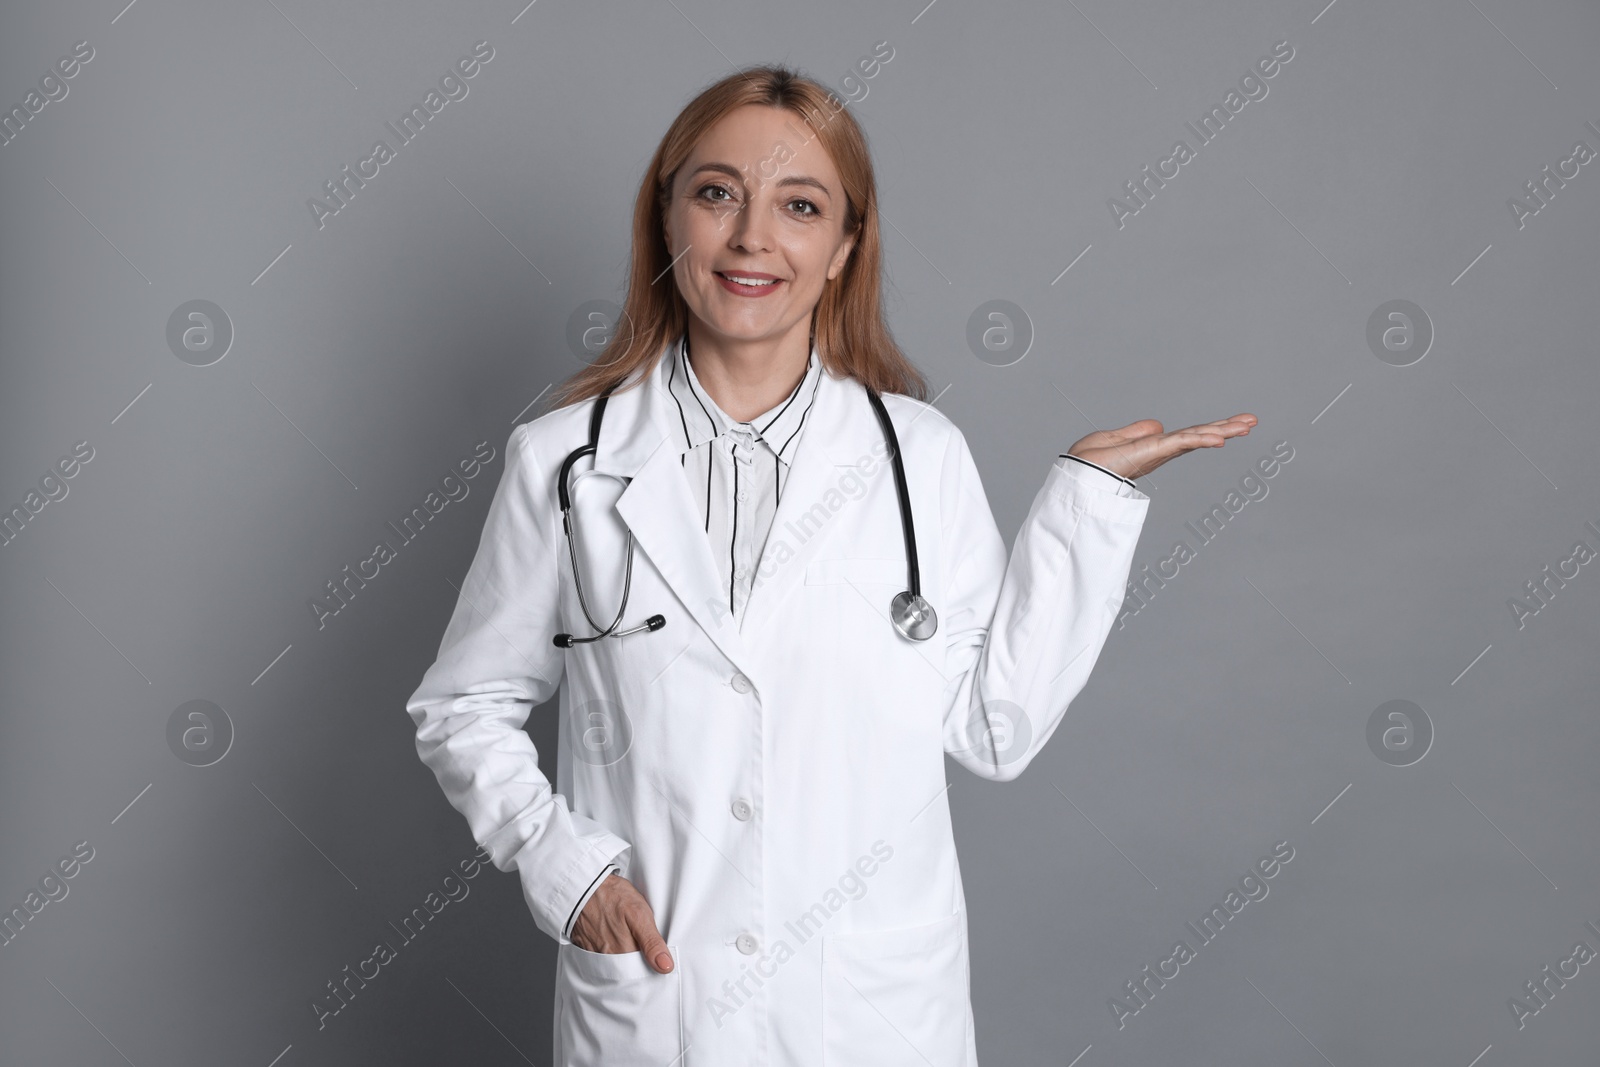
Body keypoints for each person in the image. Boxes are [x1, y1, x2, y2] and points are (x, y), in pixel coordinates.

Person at [405, 64, 1255, 1067]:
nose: (753, 237)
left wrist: (1084, 505)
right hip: (664, 1002)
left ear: (845, 245)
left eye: (799, 205)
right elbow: (463, 703)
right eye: (717, 192)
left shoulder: (917, 457)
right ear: (666, 213)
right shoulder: (562, 460)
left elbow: (996, 725)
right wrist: (559, 860)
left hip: (869, 1014)